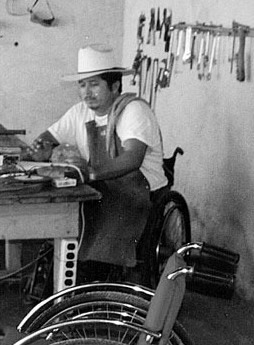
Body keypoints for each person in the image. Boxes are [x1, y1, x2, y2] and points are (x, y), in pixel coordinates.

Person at [25, 43, 167, 284]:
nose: (86, 92)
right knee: (64, 220)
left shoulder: (133, 111)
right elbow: (47, 139)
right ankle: (63, 286)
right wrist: (42, 148)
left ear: (114, 86)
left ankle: (90, 288)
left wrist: (89, 173)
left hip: (139, 193)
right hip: (102, 187)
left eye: (94, 84)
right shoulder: (79, 112)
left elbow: (133, 159)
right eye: (82, 85)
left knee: (98, 236)